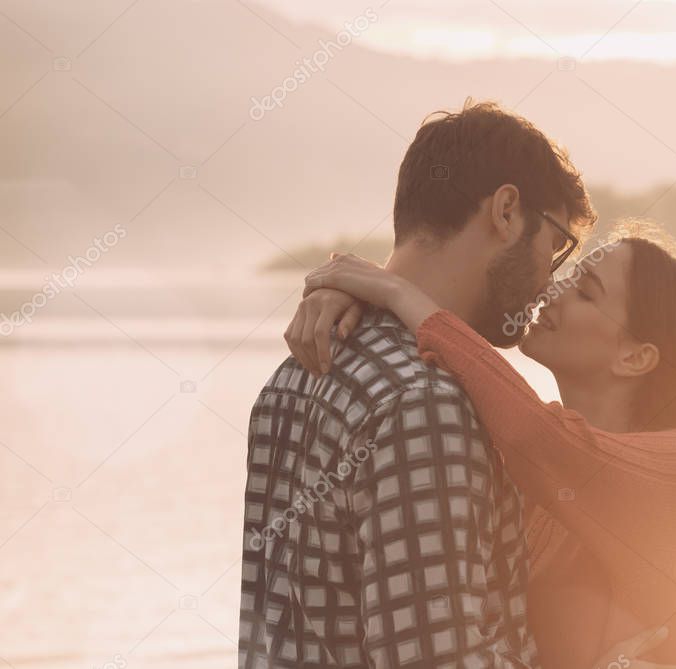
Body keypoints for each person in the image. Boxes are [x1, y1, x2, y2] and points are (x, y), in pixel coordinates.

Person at [287, 221, 676, 669]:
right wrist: (353, 295)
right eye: (568, 278)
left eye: (585, 293)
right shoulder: (533, 477)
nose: (552, 293)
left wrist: (398, 292)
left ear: (635, 357)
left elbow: (533, 432)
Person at [238, 100, 596, 668]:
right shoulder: (425, 403)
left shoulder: (294, 374)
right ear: (506, 211)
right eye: (555, 245)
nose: (547, 282)